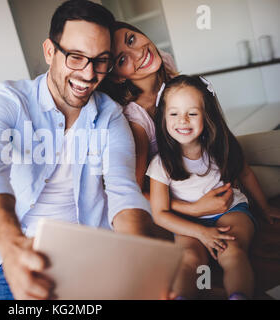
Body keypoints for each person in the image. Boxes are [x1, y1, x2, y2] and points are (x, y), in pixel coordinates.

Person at [0, 0, 152, 300]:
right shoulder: (8, 101)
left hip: (94, 254)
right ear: (50, 51)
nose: (89, 74)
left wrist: (138, 262)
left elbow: (123, 190)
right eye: (77, 57)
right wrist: (12, 248)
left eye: (101, 60)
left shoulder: (110, 115)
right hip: (23, 253)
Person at [147, 75, 280, 299]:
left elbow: (245, 173)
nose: (183, 120)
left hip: (230, 211)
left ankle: (238, 295)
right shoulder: (160, 164)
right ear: (163, 118)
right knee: (191, 259)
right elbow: (160, 214)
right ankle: (192, 294)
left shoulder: (222, 146)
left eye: (192, 113)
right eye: (174, 113)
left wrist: (264, 207)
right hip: (189, 224)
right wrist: (201, 232)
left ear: (206, 115)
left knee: (231, 252)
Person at [99, 21, 236, 223]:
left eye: (131, 39)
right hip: (182, 193)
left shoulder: (164, 62)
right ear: (118, 78)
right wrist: (193, 208)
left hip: (206, 167)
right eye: (122, 60)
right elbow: (134, 191)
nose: (138, 53)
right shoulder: (137, 122)